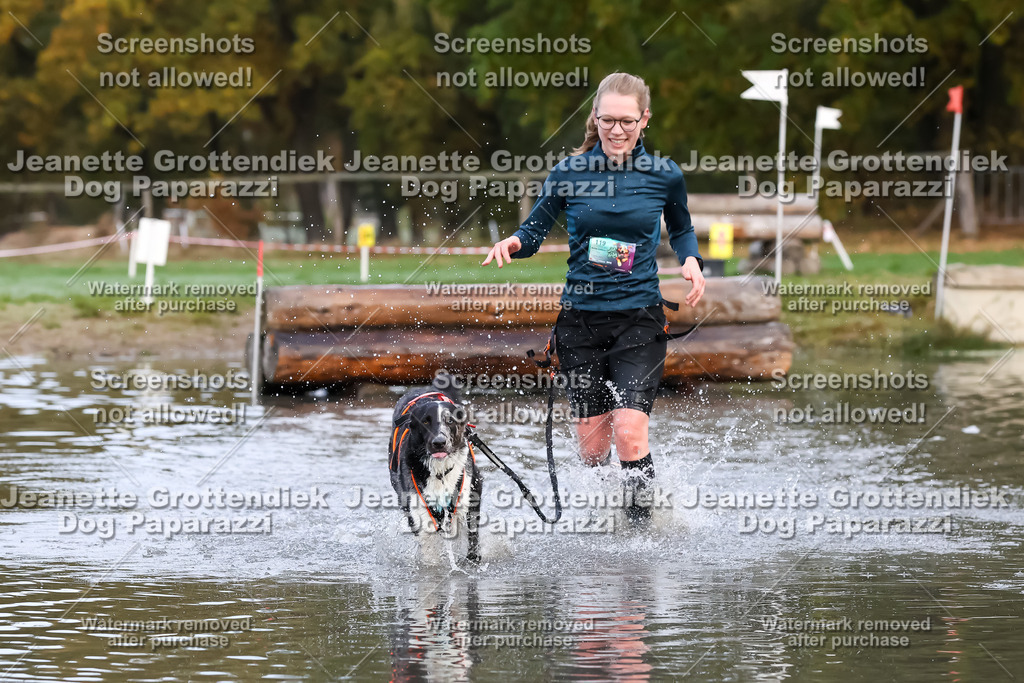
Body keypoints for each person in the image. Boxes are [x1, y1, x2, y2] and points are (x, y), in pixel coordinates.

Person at [482, 72, 705, 525]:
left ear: (644, 119)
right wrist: (514, 242)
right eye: (608, 120)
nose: (616, 130)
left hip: (639, 320)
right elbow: (534, 231)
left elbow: (682, 228)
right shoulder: (569, 173)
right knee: (592, 448)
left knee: (630, 433)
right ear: (595, 117)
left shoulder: (664, 174)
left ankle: (640, 538)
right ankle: (607, 526)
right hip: (580, 323)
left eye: (627, 121)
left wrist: (691, 260)